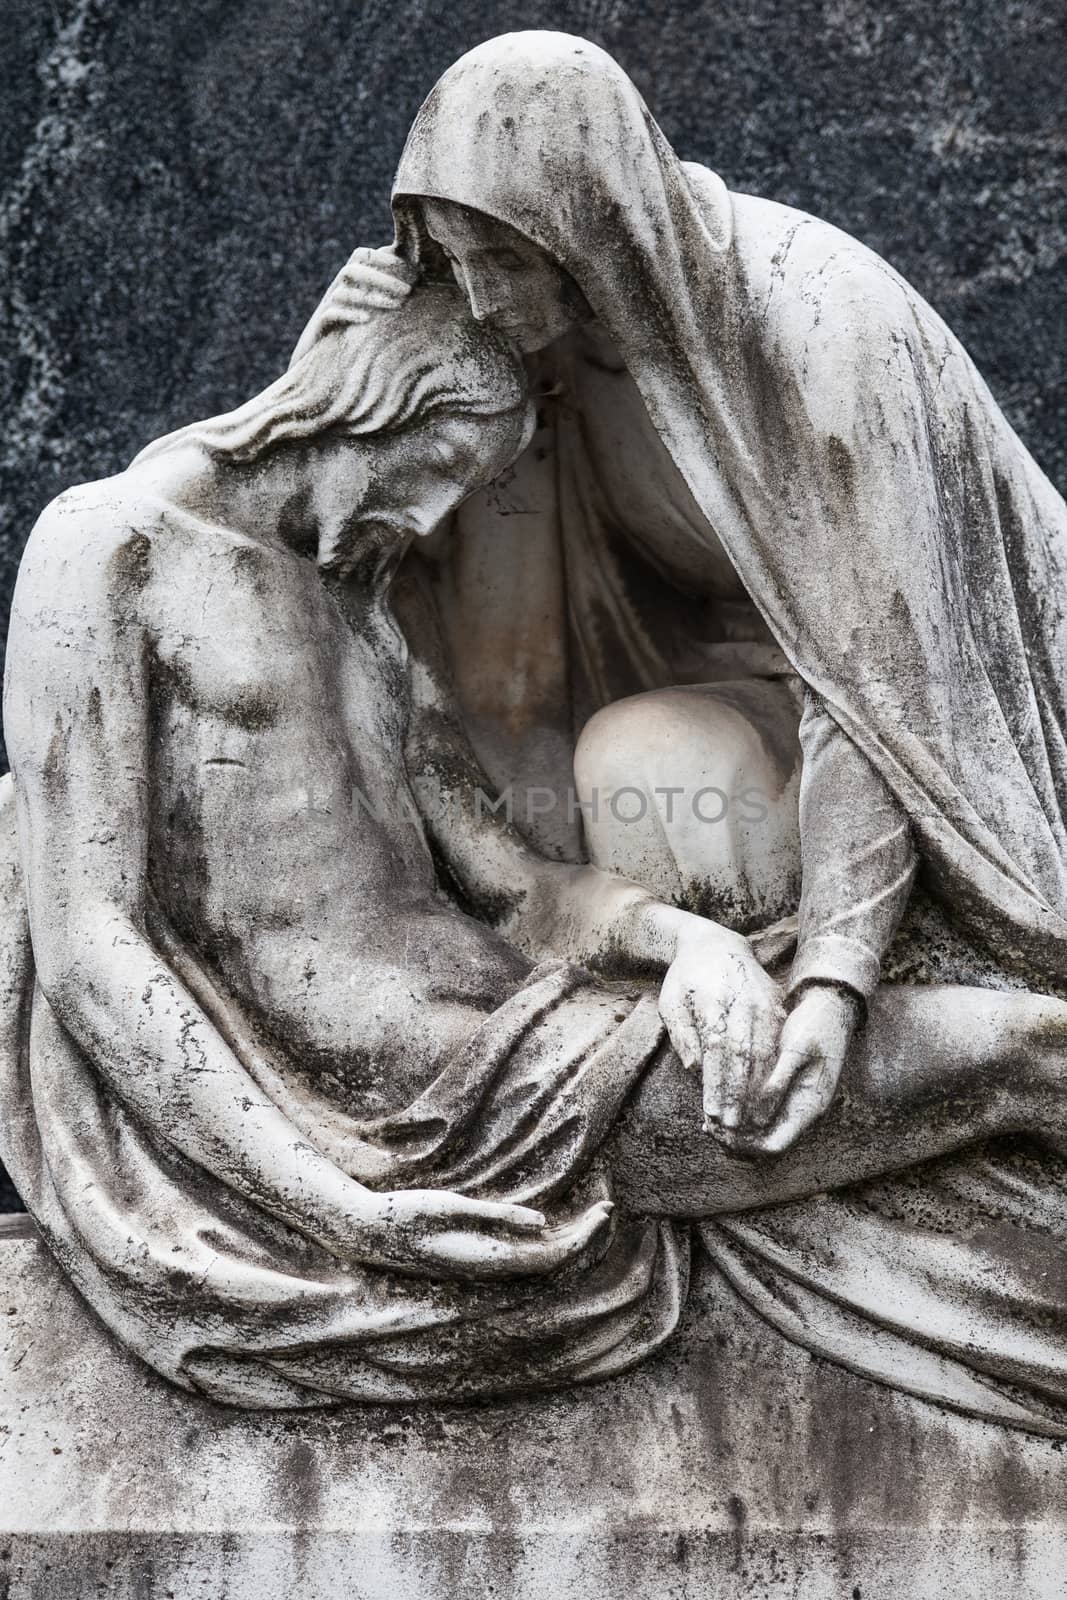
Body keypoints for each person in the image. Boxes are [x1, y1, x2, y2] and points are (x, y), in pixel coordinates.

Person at [5, 261, 1067, 1430]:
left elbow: (517, 893)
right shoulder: (107, 547)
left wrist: (692, 944)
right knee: (1028, 1050)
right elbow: (93, 939)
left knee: (1020, 1047)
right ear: (367, 403)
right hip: (422, 1114)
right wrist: (328, 1199)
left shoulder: (359, 615)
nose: (431, 519)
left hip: (528, 1030)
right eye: (442, 467)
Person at [382, 31, 1067, 1156]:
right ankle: (723, 1048)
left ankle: (846, 1063)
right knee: (643, 761)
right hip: (760, 709)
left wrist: (836, 981)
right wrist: (349, 344)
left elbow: (882, 682)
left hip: (968, 745)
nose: (477, 295)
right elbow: (353, 501)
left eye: (497, 258)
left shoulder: (813, 325)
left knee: (663, 771)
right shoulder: (549, 353)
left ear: (587, 220)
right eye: (452, 259)